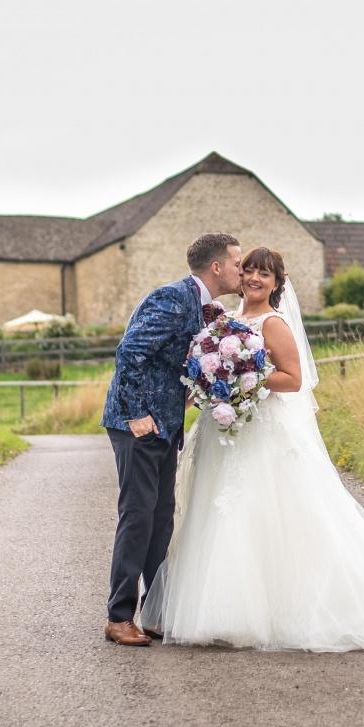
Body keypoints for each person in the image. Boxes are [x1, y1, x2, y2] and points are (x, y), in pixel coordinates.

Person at [139, 247, 364, 651]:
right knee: (216, 510)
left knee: (257, 510)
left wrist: (247, 374)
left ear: (276, 284)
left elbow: (292, 380)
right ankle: (216, 610)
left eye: (264, 274)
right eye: (249, 270)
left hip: (261, 432)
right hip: (224, 431)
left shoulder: (273, 324)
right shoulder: (225, 321)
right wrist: (211, 381)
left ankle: (271, 612)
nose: (254, 278)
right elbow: (205, 367)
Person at [100, 232, 243, 646]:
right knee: (138, 515)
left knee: (162, 517)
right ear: (216, 267)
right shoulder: (172, 297)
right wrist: (135, 414)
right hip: (138, 424)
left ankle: (157, 610)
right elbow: (129, 352)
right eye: (236, 261)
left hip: (166, 425)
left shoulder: (205, 307)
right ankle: (119, 616)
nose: (241, 268)